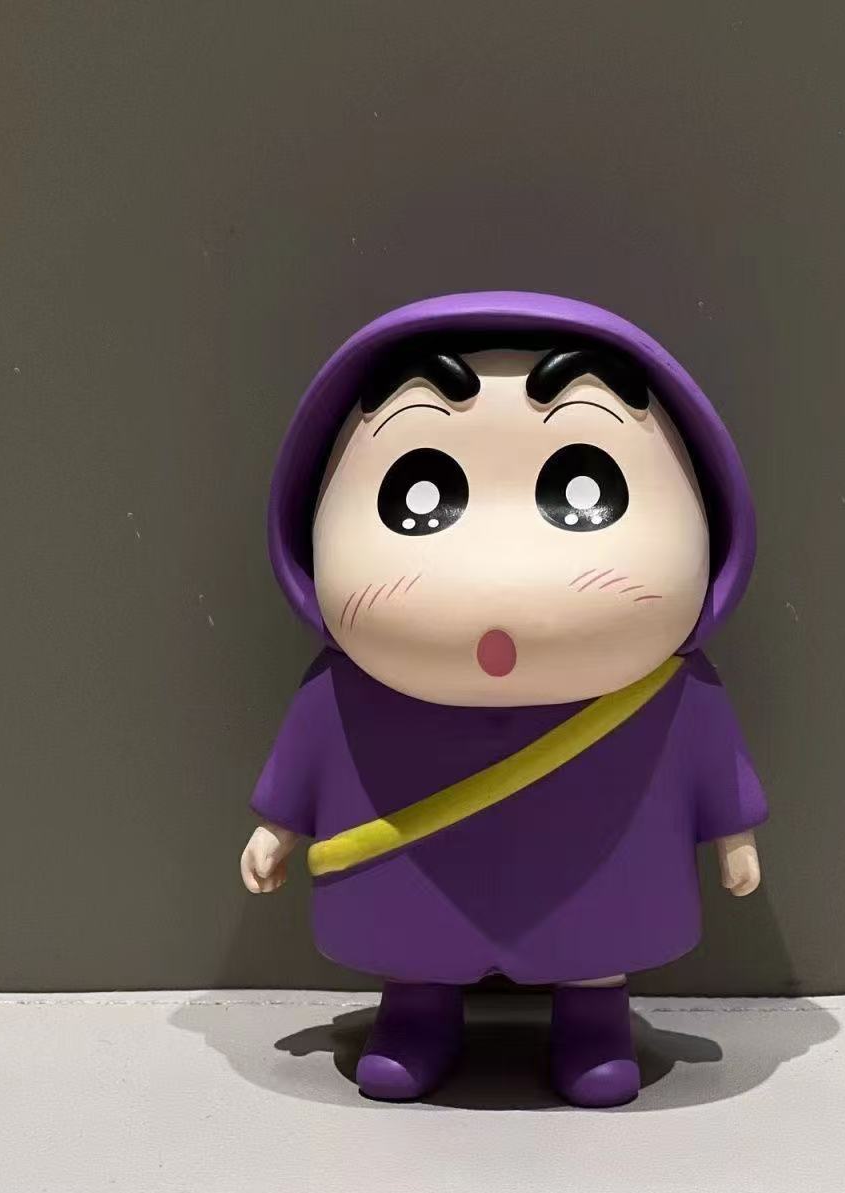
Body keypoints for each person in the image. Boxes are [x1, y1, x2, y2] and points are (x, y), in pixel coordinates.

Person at [240, 291, 766, 1107]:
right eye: (418, 494)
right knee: (417, 949)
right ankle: (416, 1019)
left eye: (584, 491)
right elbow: (305, 756)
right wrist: (275, 829)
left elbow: (711, 765)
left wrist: (734, 838)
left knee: (594, 947)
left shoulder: (676, 695)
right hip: (414, 875)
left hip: (601, 863)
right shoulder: (342, 693)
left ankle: (594, 1024)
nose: (499, 566)